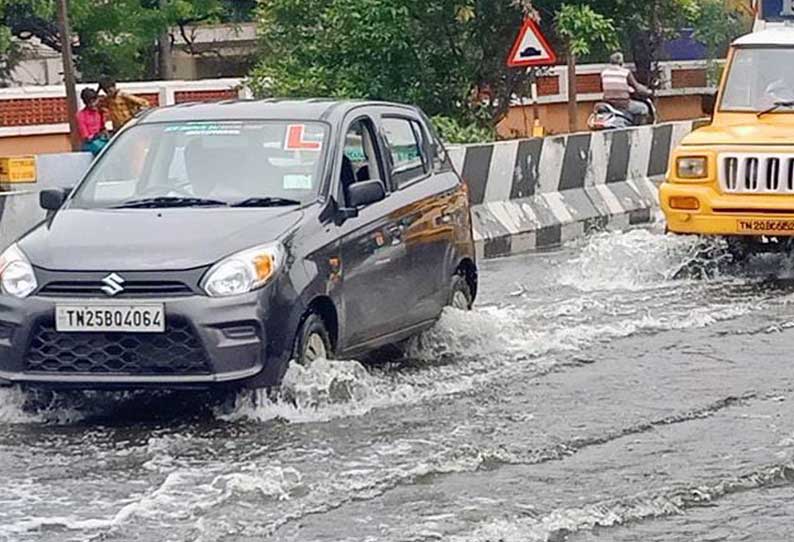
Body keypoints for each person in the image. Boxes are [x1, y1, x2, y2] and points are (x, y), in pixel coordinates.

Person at [601, 52, 653, 123]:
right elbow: (637, 87)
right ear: (621, 62)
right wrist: (647, 91)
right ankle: (639, 130)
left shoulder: (604, 73)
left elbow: (605, 87)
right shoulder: (625, 72)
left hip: (608, 103)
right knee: (644, 108)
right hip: (623, 104)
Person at [76, 88, 109, 156]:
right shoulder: (81, 115)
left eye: (94, 101)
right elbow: (86, 137)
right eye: (89, 103)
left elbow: (102, 128)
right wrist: (95, 136)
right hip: (90, 144)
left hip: (102, 141)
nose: (93, 104)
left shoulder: (100, 112)